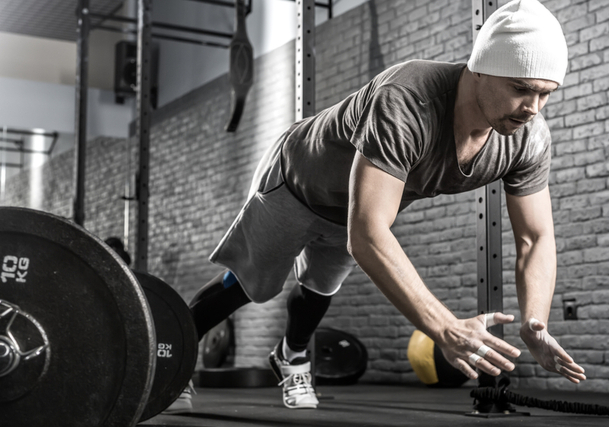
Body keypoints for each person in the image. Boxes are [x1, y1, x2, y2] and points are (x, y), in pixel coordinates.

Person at [175, 0, 586, 412]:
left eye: (545, 94)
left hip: (352, 207)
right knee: (253, 284)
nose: (532, 108)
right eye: (520, 89)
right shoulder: (408, 97)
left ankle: (291, 356)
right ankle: (174, 359)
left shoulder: (528, 139)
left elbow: (535, 238)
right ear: (480, 66)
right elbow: (369, 234)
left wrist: (536, 322)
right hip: (298, 182)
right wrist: (444, 327)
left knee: (320, 285)